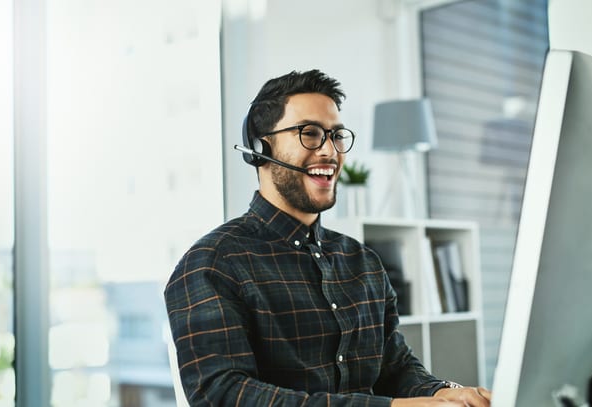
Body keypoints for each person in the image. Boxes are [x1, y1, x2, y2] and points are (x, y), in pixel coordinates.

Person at [164, 69, 491, 406]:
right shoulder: (213, 263)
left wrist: (445, 393)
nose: (329, 151)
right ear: (260, 147)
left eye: (336, 135)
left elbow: (395, 368)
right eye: (310, 133)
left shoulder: (361, 261)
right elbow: (225, 395)